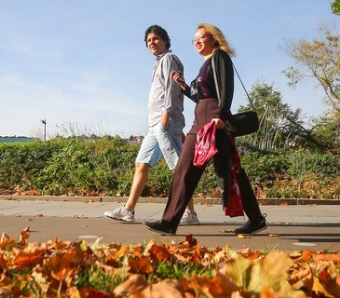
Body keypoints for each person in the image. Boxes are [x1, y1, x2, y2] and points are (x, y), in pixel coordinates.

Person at [145, 23, 267, 236]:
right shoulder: (204, 65)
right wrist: (183, 86)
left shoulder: (220, 57)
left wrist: (220, 116)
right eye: (194, 39)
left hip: (213, 121)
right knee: (184, 168)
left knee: (230, 171)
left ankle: (256, 219)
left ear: (213, 38)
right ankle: (169, 221)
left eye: (202, 37)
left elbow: (226, 89)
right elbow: (200, 97)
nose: (197, 41)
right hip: (198, 122)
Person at [105, 25, 198, 224]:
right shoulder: (160, 62)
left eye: (155, 39)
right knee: (141, 164)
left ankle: (190, 214)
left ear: (165, 40)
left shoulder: (168, 59)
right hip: (155, 124)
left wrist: (167, 115)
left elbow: (172, 87)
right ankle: (128, 210)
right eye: (148, 41)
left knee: (178, 168)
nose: (151, 43)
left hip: (165, 122)